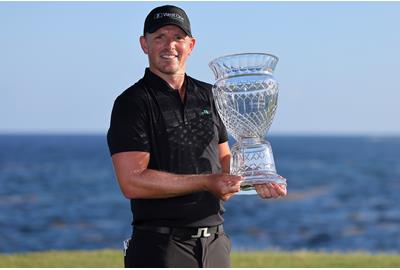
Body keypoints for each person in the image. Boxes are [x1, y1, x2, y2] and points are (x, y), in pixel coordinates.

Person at [107, 4, 287, 267]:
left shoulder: (212, 95)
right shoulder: (132, 103)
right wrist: (207, 181)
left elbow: (225, 163)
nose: (170, 45)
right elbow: (132, 182)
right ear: (144, 44)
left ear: (190, 45)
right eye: (160, 37)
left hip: (215, 245)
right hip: (160, 248)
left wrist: (254, 178)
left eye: (178, 38)